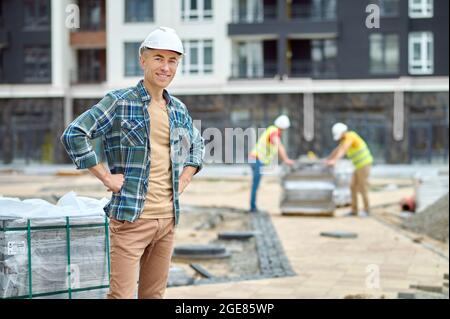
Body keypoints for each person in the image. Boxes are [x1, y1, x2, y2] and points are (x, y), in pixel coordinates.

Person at [61, 27, 205, 299]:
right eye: (158, 58)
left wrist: (185, 178)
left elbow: (197, 144)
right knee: (121, 297)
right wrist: (105, 177)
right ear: (143, 60)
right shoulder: (118, 102)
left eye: (172, 60)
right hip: (131, 219)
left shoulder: (178, 109)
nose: (165, 67)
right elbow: (74, 134)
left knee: (153, 296)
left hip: (167, 220)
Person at [248, 115, 295, 213]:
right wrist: (286, 159)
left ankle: (253, 206)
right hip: (256, 160)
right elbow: (279, 146)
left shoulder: (271, 130)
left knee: (255, 184)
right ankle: (252, 207)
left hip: (256, 159)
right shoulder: (274, 132)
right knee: (255, 184)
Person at [326, 123, 373, 217]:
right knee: (352, 187)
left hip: (364, 164)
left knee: (362, 187)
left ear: (343, 132)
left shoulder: (351, 136)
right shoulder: (344, 141)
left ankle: (367, 210)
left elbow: (344, 149)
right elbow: (337, 150)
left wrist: (335, 161)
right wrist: (328, 159)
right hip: (357, 166)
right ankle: (354, 210)